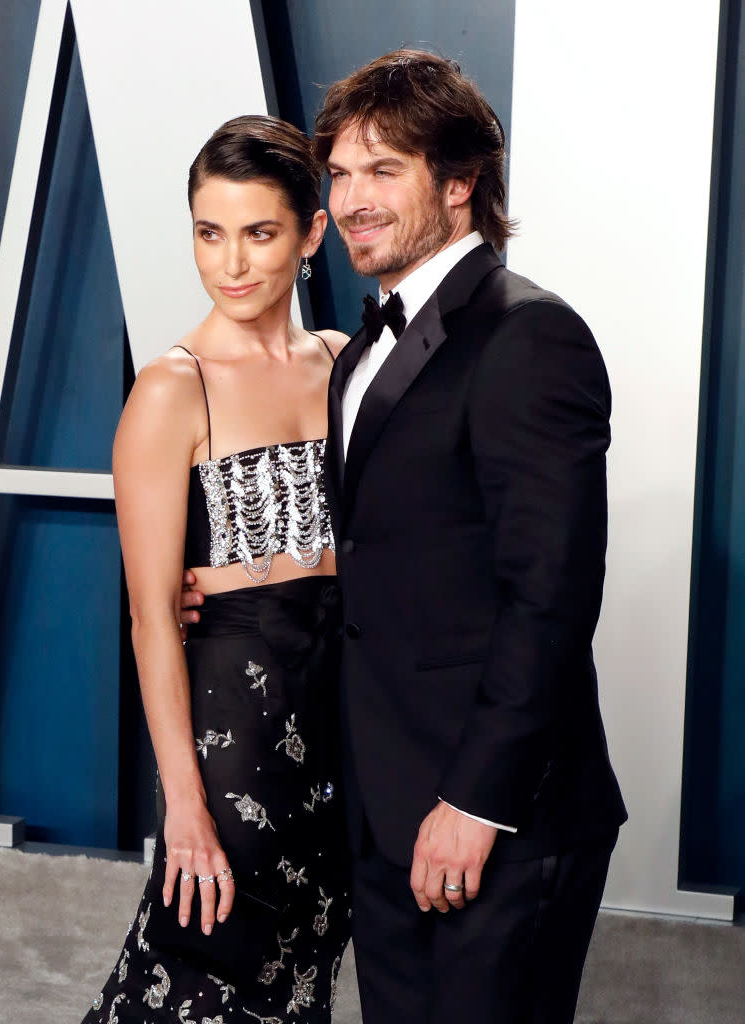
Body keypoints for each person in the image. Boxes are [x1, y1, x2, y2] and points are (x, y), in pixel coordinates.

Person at [185, 50, 628, 1023]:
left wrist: (475, 804)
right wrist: (231, 584)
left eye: (385, 171)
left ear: (460, 181)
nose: (351, 199)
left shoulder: (527, 338)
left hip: (495, 816)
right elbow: (383, 558)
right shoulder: (362, 353)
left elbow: (549, 598)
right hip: (383, 810)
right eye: (339, 174)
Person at [82, 115, 351, 1024]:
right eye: (209, 232)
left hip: (343, 725)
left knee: (301, 977)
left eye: (259, 232)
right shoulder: (171, 387)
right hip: (232, 734)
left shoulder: (346, 367)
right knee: (202, 976)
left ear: (313, 233)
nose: (230, 263)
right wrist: (182, 810)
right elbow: (152, 616)